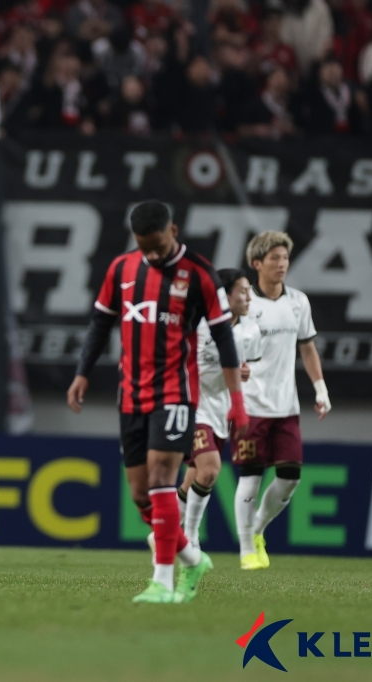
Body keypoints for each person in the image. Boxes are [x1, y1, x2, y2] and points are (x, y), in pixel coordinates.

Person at [66, 201, 248, 604]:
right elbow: (100, 322)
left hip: (175, 393)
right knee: (140, 494)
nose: (152, 254)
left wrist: (237, 400)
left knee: (162, 478)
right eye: (144, 245)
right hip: (130, 393)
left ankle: (162, 582)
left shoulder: (199, 274)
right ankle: (191, 557)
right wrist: (82, 372)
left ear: (174, 231)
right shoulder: (122, 269)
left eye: (158, 245)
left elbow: (223, 337)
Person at [234, 231, 330, 571]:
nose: (282, 264)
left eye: (285, 258)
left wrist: (320, 388)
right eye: (274, 258)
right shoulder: (244, 304)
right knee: (251, 476)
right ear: (257, 263)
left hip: (286, 405)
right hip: (250, 404)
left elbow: (307, 347)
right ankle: (246, 548)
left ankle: (257, 528)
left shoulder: (298, 302)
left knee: (290, 478)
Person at [175, 269, 263, 549]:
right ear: (225, 295)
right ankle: (190, 536)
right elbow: (191, 367)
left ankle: (162, 532)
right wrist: (233, 371)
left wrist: (242, 373)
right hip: (193, 406)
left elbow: (246, 368)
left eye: (250, 290)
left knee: (194, 480)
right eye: (243, 290)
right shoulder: (199, 324)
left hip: (221, 412)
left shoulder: (250, 330)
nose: (249, 297)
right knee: (211, 470)